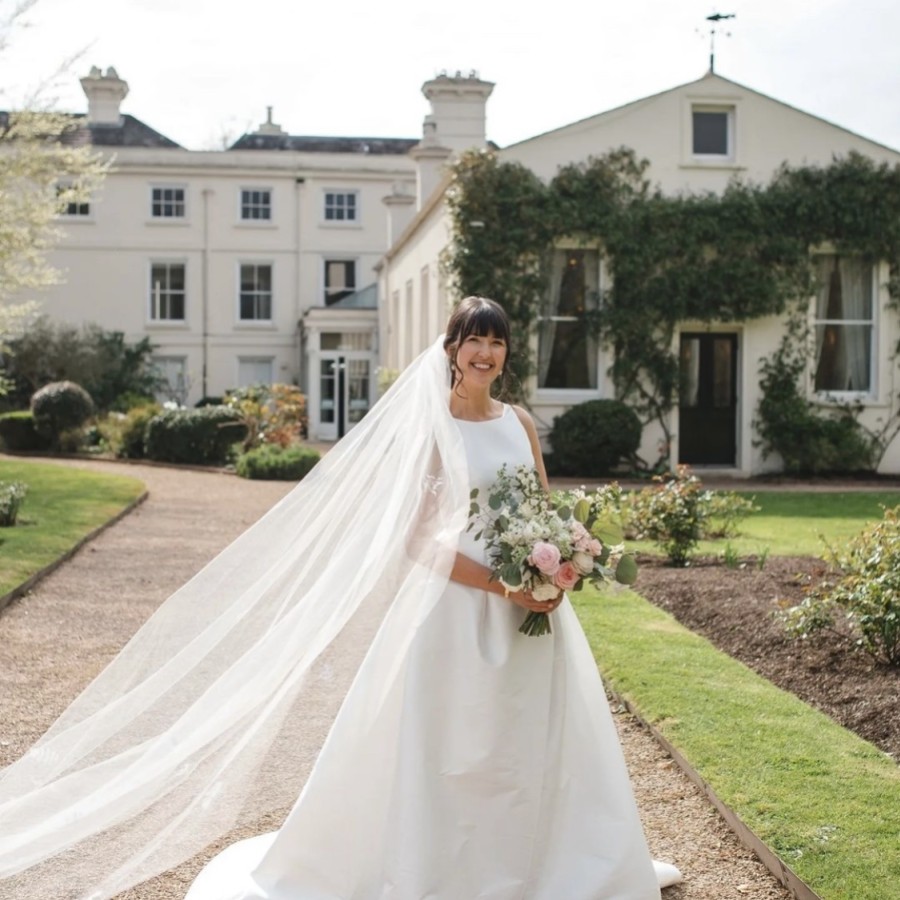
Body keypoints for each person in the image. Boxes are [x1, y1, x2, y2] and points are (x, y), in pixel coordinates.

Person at [0, 297, 681, 899]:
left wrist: (555, 572)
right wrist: (501, 583)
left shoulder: (521, 423)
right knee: (450, 746)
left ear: (505, 353)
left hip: (530, 611)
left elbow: (543, 508)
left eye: (496, 341)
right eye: (473, 339)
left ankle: (543, 867)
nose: (485, 352)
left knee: (532, 738)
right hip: (456, 609)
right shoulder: (433, 425)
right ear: (450, 350)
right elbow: (418, 541)